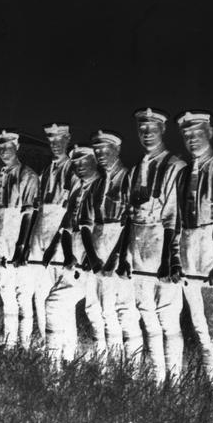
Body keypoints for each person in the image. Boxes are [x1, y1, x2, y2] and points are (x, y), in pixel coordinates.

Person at [122, 108, 187, 381]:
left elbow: (175, 215)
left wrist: (169, 258)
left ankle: (173, 381)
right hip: (139, 250)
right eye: (142, 129)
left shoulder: (176, 166)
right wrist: (126, 254)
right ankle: (157, 377)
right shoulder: (136, 168)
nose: (146, 134)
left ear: (163, 130)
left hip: (163, 248)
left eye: (152, 129)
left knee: (167, 317)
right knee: (145, 313)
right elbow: (129, 216)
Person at [175, 111, 213, 386]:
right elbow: (176, 220)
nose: (192, 140)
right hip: (189, 253)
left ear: (210, 133)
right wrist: (176, 259)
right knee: (199, 325)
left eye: (198, 134)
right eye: (187, 136)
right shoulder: (184, 174)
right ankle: (209, 387)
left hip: (212, 251)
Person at [42, 144, 102, 365]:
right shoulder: (78, 187)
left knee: (97, 310)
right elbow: (67, 225)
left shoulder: (102, 186)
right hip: (76, 249)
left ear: (94, 161)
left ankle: (107, 368)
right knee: (59, 303)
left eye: (84, 161)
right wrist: (67, 254)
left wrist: (91, 255)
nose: (80, 167)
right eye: (75, 163)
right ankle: (59, 362)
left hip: (98, 253)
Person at [0, 129, 39, 348]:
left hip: (20, 242)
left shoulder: (27, 175)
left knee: (23, 293)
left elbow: (28, 213)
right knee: (6, 292)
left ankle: (24, 344)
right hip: (0, 241)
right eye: (0, 148)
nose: (5, 151)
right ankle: (10, 341)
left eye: (8, 147)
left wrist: (21, 247)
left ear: (17, 147)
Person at [79, 129, 131, 363]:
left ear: (117, 150)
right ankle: (103, 362)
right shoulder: (97, 185)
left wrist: (116, 257)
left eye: (105, 150)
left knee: (119, 310)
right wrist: (91, 255)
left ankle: (125, 366)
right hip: (96, 250)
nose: (101, 154)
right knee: (94, 307)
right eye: (97, 150)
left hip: (118, 249)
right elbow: (85, 223)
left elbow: (131, 222)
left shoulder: (129, 178)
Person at [24, 123, 77, 348]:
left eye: (60, 140)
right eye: (51, 141)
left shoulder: (74, 169)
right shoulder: (46, 171)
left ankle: (68, 349)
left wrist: (58, 244)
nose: (55, 145)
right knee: (40, 292)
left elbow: (71, 211)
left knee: (61, 298)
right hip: (40, 237)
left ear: (68, 140)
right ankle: (49, 342)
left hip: (61, 239)